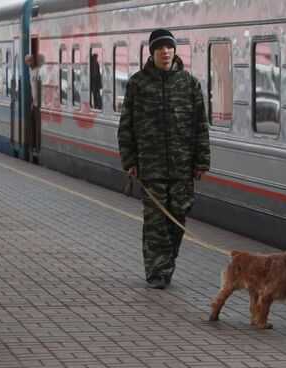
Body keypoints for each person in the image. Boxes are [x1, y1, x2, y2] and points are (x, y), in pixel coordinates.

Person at [117, 29, 210, 289]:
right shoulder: (138, 84)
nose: (165, 52)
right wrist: (130, 161)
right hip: (151, 168)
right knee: (156, 223)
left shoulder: (189, 84)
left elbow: (200, 126)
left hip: (182, 168)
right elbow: (127, 127)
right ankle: (158, 273)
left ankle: (165, 264)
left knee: (177, 220)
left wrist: (202, 161)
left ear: (174, 50)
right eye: (160, 48)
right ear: (152, 52)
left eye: (169, 47)